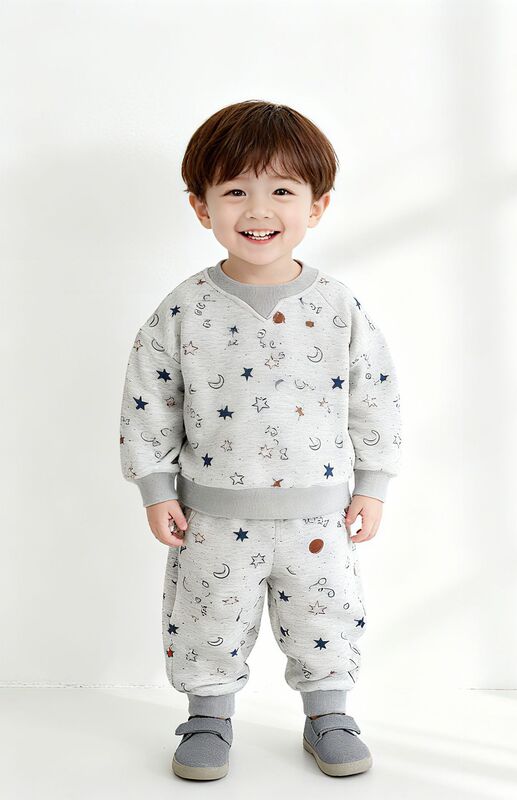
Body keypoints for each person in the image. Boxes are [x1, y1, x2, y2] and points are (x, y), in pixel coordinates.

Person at [118, 100, 402, 780]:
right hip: (213, 515)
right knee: (207, 619)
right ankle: (207, 718)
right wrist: (155, 488)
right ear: (201, 207)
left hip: (319, 515)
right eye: (235, 191)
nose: (258, 210)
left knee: (326, 616)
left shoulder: (338, 306)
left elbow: (374, 398)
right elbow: (150, 399)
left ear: (317, 206)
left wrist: (373, 484)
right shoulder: (184, 308)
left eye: (281, 191)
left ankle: (328, 714)